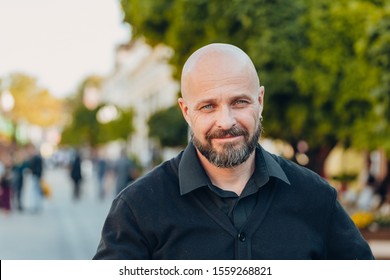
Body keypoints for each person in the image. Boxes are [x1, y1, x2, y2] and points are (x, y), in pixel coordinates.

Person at [93, 43, 374, 260]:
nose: (226, 121)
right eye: (208, 106)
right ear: (186, 111)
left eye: (239, 102)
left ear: (260, 101)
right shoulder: (138, 207)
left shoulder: (315, 197)